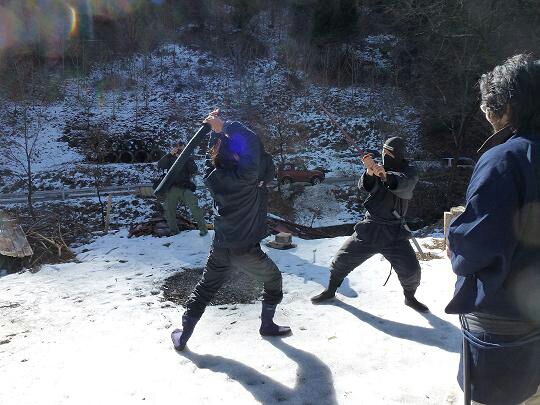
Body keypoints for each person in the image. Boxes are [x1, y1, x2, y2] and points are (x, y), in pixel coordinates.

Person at [446, 54, 540, 405]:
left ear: (508, 107)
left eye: (489, 106)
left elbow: (476, 247)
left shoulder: (505, 159)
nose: (486, 114)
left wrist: (455, 244)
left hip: (505, 331)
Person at [171, 109, 291, 352]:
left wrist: (215, 133)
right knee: (273, 279)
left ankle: (183, 335)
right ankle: (267, 325)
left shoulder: (212, 177)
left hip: (221, 246)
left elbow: (214, 156)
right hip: (244, 249)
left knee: (205, 289)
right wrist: (225, 125)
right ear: (237, 157)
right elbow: (253, 144)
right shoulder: (247, 177)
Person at [311, 136, 429, 312]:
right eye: (383, 151)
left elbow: (404, 184)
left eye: (389, 152)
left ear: (399, 154)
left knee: (411, 270)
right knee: (342, 259)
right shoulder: (377, 167)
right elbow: (365, 187)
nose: (385, 155)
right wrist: (369, 171)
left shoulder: (409, 171)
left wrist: (385, 175)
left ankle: (410, 298)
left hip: (394, 232)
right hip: (370, 227)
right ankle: (330, 290)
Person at [157, 142, 208, 236]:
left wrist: (185, 156)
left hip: (185, 187)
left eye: (181, 147)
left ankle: (203, 230)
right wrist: (170, 154)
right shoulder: (170, 158)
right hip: (172, 187)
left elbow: (194, 169)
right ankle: (174, 232)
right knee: (169, 210)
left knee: (195, 208)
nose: (179, 149)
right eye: (177, 147)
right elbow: (160, 165)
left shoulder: (187, 158)